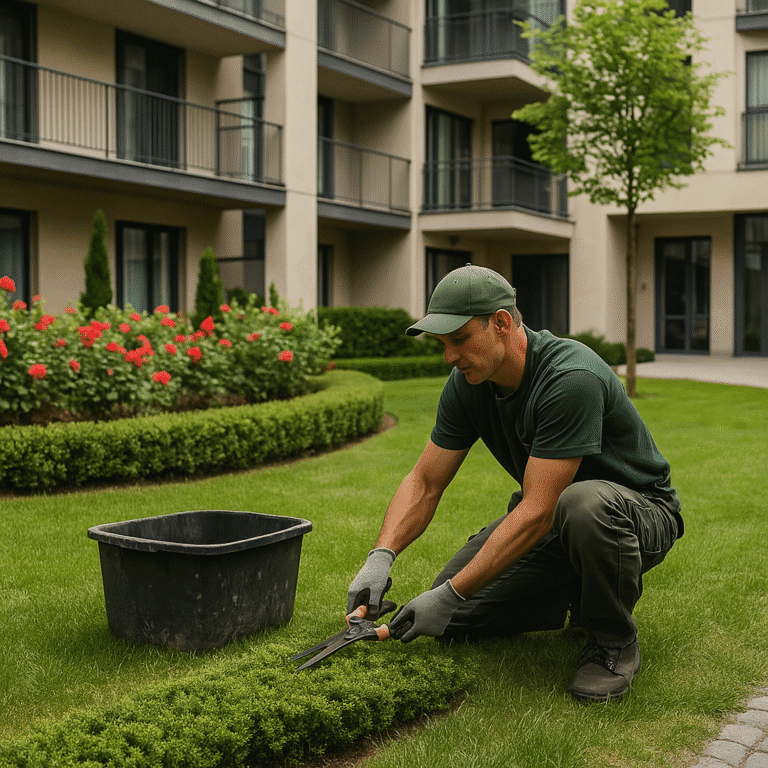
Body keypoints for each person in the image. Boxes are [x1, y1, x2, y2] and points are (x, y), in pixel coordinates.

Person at [347, 264, 683, 703]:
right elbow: (426, 481)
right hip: (556, 522)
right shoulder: (469, 383)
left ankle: (612, 642)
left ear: (502, 323)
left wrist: (450, 594)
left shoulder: (569, 378)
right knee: (452, 621)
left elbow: (539, 509)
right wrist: (380, 557)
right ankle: (576, 591)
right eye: (443, 344)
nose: (449, 356)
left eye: (460, 340)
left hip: (635, 514)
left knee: (581, 503)